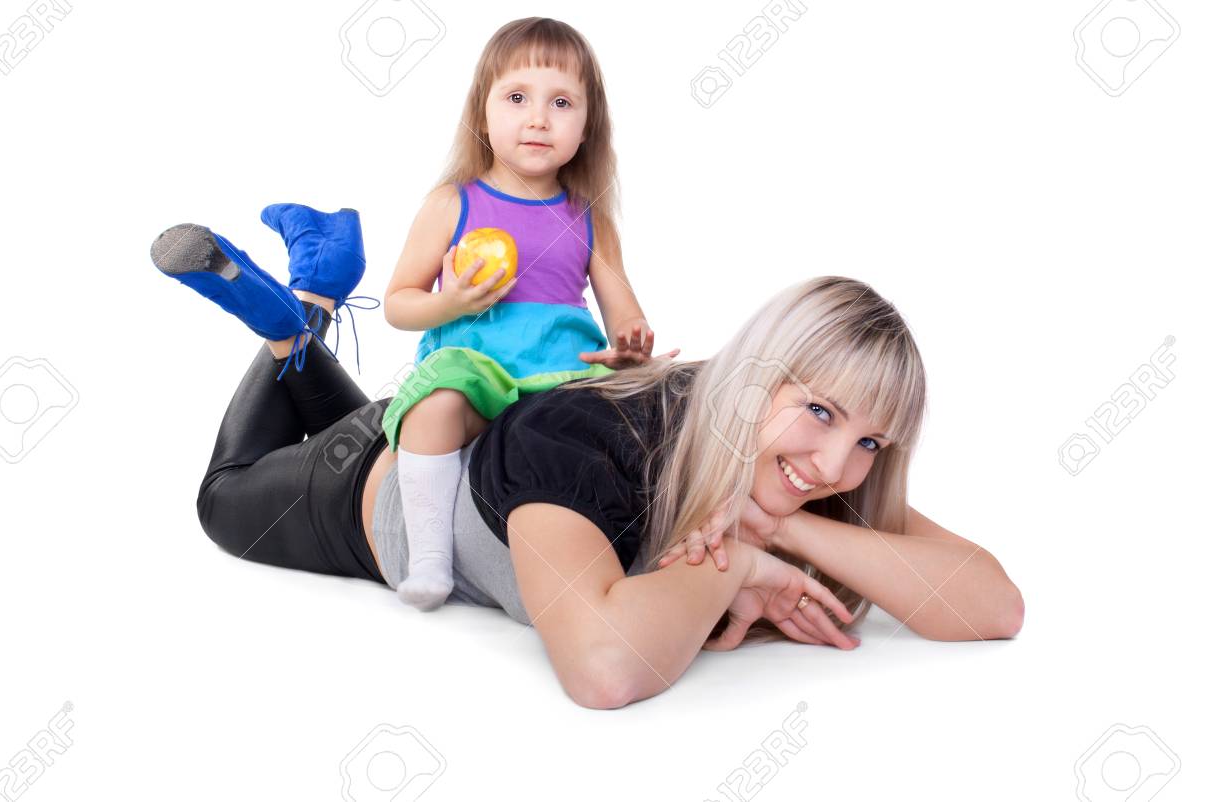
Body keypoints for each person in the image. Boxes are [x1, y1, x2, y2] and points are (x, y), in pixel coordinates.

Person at [150, 220, 1024, 709]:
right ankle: (300, 305)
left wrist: (787, 524)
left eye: (871, 442)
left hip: (442, 433)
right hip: (363, 483)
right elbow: (603, 668)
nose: (837, 463)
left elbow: (996, 606)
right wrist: (738, 569)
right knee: (222, 499)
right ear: (756, 376)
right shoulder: (590, 443)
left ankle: (303, 316)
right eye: (822, 413)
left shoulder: (793, 466)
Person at [379, 17, 678, 611]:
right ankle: (431, 558)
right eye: (517, 98)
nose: (538, 118)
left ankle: (656, 543)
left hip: (562, 376)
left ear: (588, 125)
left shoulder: (590, 217)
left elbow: (626, 316)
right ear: (482, 111)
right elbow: (398, 304)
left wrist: (631, 349)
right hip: (477, 369)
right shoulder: (453, 203)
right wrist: (451, 303)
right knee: (433, 408)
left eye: (561, 102)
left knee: (653, 412)